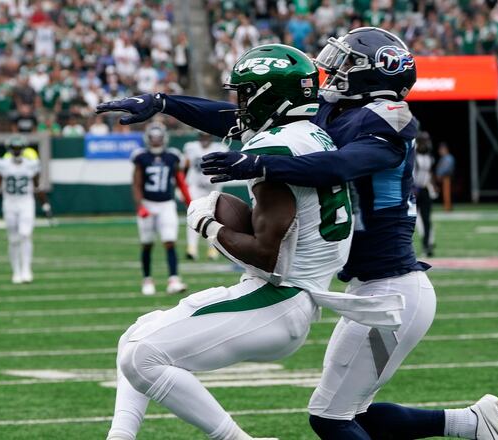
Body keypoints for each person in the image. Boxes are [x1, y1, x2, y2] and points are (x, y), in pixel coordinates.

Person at [98, 28, 498, 440]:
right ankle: (471, 423)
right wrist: (165, 103)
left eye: (348, 61)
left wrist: (259, 165)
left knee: (332, 418)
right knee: (344, 414)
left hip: (393, 294)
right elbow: (247, 115)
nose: (334, 68)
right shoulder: (335, 114)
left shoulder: (389, 119)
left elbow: (339, 166)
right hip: (364, 289)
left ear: (376, 72)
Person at [105, 44, 361, 440]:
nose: (239, 106)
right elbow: (226, 121)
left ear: (269, 95)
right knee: (138, 333)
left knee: (143, 356)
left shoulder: (275, 148)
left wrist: (207, 225)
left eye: (245, 94)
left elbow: (266, 256)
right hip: (290, 293)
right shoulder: (311, 136)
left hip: (280, 297)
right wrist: (163, 102)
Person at [131, 122, 192, 296]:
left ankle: (173, 279)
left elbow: (180, 179)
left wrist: (188, 199)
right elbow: (136, 183)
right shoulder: (141, 157)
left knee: (170, 241)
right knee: (147, 244)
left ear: (164, 138)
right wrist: (140, 206)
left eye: (159, 137)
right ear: (148, 138)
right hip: (148, 203)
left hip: (166, 204)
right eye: (153, 137)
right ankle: (147, 279)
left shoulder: (172, 156)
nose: (156, 141)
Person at [0, 136, 52, 284]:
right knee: (13, 239)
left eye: (18, 148)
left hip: (26, 202)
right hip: (9, 203)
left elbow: (37, 186)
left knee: (25, 234)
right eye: (14, 149)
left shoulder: (31, 164)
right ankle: (16, 271)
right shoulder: (3, 164)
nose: (16, 151)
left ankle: (26, 269)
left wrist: (45, 205)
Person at [182, 132, 228, 260]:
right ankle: (191, 248)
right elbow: (185, 166)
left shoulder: (220, 148)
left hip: (213, 188)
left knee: (213, 217)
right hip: (195, 186)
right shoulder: (191, 148)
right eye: (202, 137)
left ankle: (213, 249)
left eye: (207, 137)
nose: (204, 140)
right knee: (192, 216)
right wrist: (182, 187)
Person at [414, 131, 436, 257]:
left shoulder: (429, 155)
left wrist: (432, 186)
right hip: (414, 190)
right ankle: (407, 246)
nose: (425, 144)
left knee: (427, 219)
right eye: (423, 141)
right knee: (411, 219)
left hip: (425, 189)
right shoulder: (413, 155)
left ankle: (427, 244)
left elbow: (430, 173)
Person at [435, 142, 455, 212]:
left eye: (441, 149)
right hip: (443, 178)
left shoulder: (448, 158)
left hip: (446, 177)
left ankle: (448, 207)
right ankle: (446, 206)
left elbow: (446, 168)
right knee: (444, 193)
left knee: (447, 193)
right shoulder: (443, 158)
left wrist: (440, 174)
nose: (440, 151)